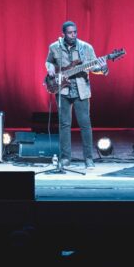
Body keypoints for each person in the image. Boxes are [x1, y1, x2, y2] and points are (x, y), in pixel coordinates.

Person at [45, 20, 108, 168]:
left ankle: (88, 158)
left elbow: (94, 67)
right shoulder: (55, 47)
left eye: (75, 32)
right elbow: (48, 62)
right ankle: (66, 158)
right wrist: (50, 69)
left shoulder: (86, 48)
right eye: (70, 33)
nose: (73, 35)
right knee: (64, 125)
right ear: (64, 34)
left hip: (81, 90)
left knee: (85, 124)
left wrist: (103, 68)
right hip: (62, 89)